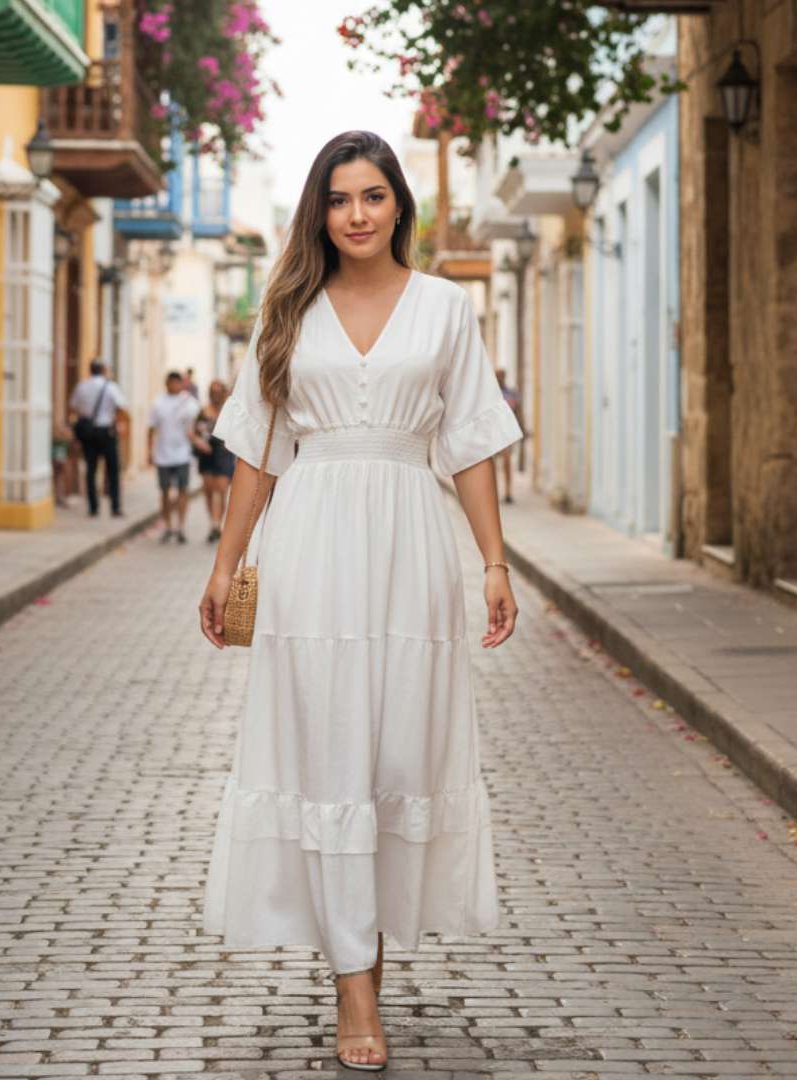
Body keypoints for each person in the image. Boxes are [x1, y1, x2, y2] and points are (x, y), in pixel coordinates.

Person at [197, 131, 521, 1072]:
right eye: (339, 199)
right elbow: (258, 454)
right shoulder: (286, 312)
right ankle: (354, 990)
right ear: (320, 212)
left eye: (373, 196)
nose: (357, 214)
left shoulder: (446, 308)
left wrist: (495, 563)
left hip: (412, 547)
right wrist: (225, 564)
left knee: (394, 758)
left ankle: (364, 955)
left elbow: (470, 445)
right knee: (329, 754)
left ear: (398, 206)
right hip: (311, 545)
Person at [148, 370, 203, 543]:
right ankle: (168, 526)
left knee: (182, 491)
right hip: (163, 455)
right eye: (170, 382)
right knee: (164, 491)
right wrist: (150, 452)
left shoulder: (190, 402)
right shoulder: (158, 403)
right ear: (166, 383)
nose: (173, 385)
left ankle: (180, 527)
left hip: (183, 454)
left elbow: (198, 423)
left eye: (176, 382)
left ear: (181, 384)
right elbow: (151, 429)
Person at [68, 360, 127, 518]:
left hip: (88, 432)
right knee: (113, 470)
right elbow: (121, 407)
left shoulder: (82, 386)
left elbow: (73, 406)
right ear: (104, 370)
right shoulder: (110, 386)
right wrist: (119, 423)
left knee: (91, 470)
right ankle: (115, 507)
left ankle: (93, 507)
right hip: (106, 431)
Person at [194, 380, 236, 543]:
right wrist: (198, 441)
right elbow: (193, 431)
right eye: (213, 391)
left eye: (218, 391)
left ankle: (217, 524)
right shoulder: (203, 411)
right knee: (209, 491)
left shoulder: (229, 411)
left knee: (221, 490)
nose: (215, 395)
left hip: (224, 453)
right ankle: (213, 521)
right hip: (207, 454)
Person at [494, 368, 522, 505]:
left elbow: (518, 412)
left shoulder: (511, 394)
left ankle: (508, 492)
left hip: (506, 432)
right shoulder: (491, 393)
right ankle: (493, 492)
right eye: (498, 376)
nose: (500, 379)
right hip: (493, 432)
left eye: (502, 376)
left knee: (506, 462)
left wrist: (520, 428)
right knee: (491, 465)